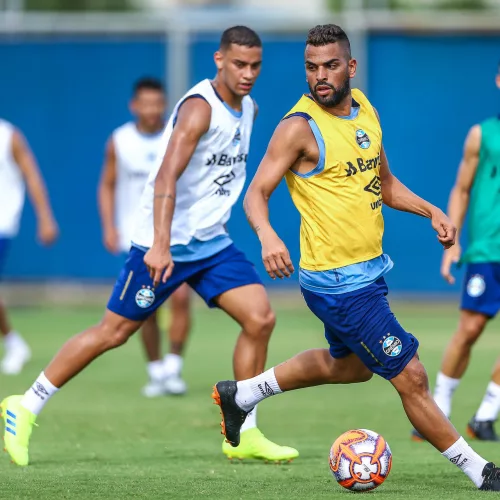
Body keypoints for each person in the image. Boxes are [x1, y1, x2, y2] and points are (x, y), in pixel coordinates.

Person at [212, 24, 500, 491]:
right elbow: (254, 196)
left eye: (329, 66)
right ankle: (482, 471)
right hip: (337, 283)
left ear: (350, 66)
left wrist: (431, 211)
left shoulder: (364, 108)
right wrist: (267, 236)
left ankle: (242, 394)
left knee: (350, 367)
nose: (320, 76)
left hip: (368, 272)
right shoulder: (296, 128)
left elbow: (383, 183)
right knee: (411, 375)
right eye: (311, 67)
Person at [0, 25, 298, 467]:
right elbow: (165, 178)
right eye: (239, 64)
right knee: (113, 333)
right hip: (165, 244)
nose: (248, 73)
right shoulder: (199, 110)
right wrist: (160, 245)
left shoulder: (250, 107)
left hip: (211, 242)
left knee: (260, 318)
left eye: (255, 65)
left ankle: (243, 434)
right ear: (219, 60)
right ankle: (24, 405)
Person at [412, 64, 500, 442]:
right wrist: (454, 242)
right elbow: (461, 190)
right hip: (487, 250)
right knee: (470, 329)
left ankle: (485, 416)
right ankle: (439, 408)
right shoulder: (483, 135)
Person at [98, 77, 191, 398]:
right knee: (144, 304)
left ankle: (173, 367)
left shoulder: (177, 136)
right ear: (134, 106)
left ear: (165, 105)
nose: (151, 110)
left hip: (176, 232)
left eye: (157, 103)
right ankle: (155, 372)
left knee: (180, 297)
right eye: (145, 104)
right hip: (137, 234)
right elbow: (107, 184)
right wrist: (109, 225)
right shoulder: (120, 141)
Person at [0, 120, 58, 375]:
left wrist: (45, 217)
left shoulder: (8, 136)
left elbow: (31, 174)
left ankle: (14, 343)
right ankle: (14, 343)